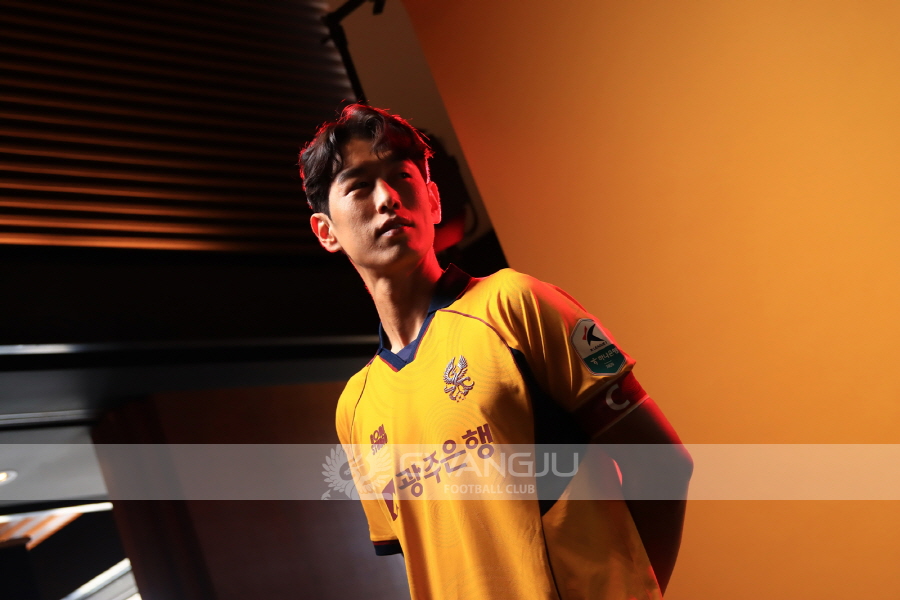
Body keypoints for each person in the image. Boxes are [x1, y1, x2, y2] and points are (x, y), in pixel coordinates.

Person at [300, 104, 692, 600]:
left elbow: (662, 464)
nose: (387, 198)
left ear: (433, 201)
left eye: (402, 176)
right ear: (326, 231)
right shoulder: (355, 408)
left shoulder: (515, 303)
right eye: (359, 186)